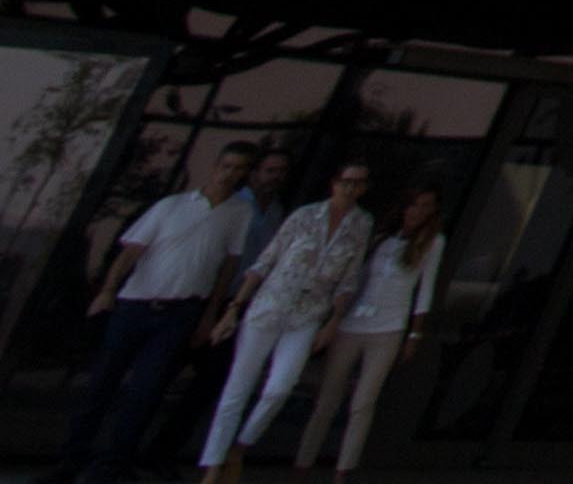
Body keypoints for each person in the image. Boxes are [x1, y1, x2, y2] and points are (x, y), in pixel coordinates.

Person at [62, 155, 256, 484]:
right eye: (225, 165)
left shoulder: (239, 213)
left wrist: (209, 315)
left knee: (146, 392)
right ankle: (71, 461)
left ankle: (113, 464)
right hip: (136, 305)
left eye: (238, 169)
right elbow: (131, 251)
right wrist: (109, 290)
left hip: (181, 311)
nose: (229, 173)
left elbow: (228, 265)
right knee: (102, 385)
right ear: (215, 167)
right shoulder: (173, 205)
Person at [194, 164, 373, 483]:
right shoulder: (305, 216)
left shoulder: (361, 224)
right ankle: (213, 466)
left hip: (308, 313)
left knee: (280, 387)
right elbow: (267, 260)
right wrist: (234, 308)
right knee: (238, 386)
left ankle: (241, 444)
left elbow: (349, 277)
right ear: (334, 183)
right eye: (346, 182)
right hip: (271, 304)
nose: (350, 189)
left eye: (358, 184)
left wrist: (334, 320)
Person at [290, 191, 438, 478]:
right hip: (352, 324)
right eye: (413, 205)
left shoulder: (431, 243)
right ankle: (303, 464)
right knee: (327, 399)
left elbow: (425, 292)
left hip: (388, 328)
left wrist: (414, 335)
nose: (417, 213)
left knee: (363, 403)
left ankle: (342, 470)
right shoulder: (381, 237)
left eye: (425, 207)